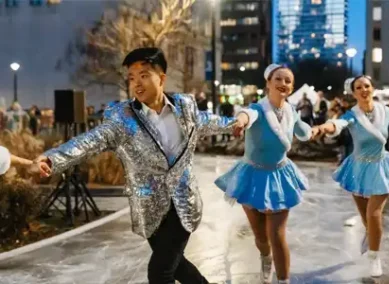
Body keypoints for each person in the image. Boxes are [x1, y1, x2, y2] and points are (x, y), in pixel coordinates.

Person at [34, 47, 249, 284]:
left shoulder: (185, 108)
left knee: (160, 272)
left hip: (183, 204)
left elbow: (212, 121)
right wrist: (54, 158)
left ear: (162, 78)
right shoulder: (122, 117)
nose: (137, 83)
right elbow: (91, 140)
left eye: (144, 75)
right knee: (177, 266)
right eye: (132, 78)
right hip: (149, 206)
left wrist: (240, 120)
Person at [215, 64, 316, 283]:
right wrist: (240, 122)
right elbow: (246, 115)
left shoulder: (291, 111)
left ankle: (283, 280)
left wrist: (322, 129)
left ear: (292, 87)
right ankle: (265, 256)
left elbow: (304, 132)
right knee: (261, 237)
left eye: (288, 81)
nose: (283, 84)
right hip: (252, 176)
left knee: (277, 235)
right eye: (278, 79)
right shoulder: (258, 109)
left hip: (280, 176)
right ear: (268, 83)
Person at [311, 75, 389, 278]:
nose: (363, 89)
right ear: (354, 93)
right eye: (358, 87)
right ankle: (370, 234)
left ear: (373, 88)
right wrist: (324, 127)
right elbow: (337, 124)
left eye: (366, 86)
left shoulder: (385, 112)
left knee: (374, 213)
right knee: (366, 217)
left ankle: (374, 257)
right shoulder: (352, 114)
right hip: (358, 167)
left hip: (380, 166)